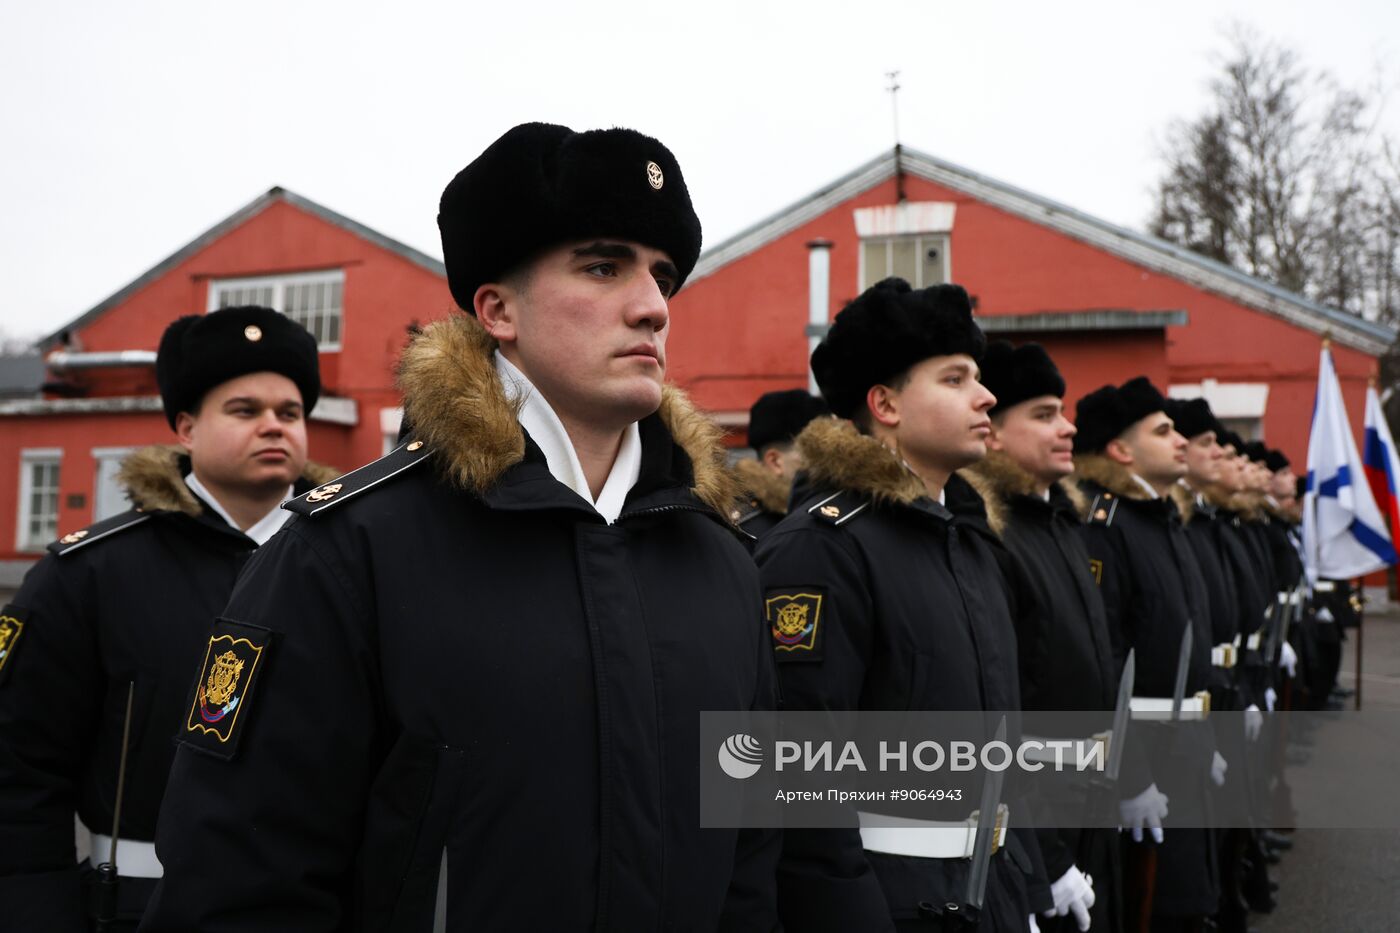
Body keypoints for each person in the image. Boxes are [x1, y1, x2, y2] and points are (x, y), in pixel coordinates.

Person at [139, 123, 779, 932]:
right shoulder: (348, 550)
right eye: (603, 266)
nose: (653, 307)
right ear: (497, 309)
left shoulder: (724, 564)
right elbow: (237, 881)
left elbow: (755, 859)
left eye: (662, 276)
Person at [0, 306, 330, 932]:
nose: (274, 426)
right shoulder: (90, 574)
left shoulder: (348, 565)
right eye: (244, 410)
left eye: (290, 413)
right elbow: (19, 771)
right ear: (185, 427)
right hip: (134, 909)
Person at [755, 278, 1043, 932]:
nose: (985, 396)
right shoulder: (822, 549)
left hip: (987, 892)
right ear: (884, 403)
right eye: (955, 379)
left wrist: (1020, 888)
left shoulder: (969, 541)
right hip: (895, 904)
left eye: (978, 378)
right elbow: (801, 788)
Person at [965, 341, 1120, 933]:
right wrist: (1044, 860)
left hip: (1088, 796)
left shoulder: (1059, 522)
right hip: (1038, 814)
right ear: (995, 435)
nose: (1067, 427)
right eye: (1044, 414)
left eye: (1064, 411)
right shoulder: (994, 535)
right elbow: (999, 715)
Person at [1071, 378, 1219, 933]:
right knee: (1157, 909)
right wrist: (1131, 776)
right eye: (1163, 431)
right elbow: (1104, 661)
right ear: (1120, 449)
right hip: (1145, 751)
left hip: (1183, 743)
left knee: (1191, 900)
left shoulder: (1162, 518)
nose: (1180, 441)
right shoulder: (1107, 526)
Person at [731, 389, 830, 537]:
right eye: (814, 456)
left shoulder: (819, 509)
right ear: (775, 461)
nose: (827, 466)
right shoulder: (745, 530)